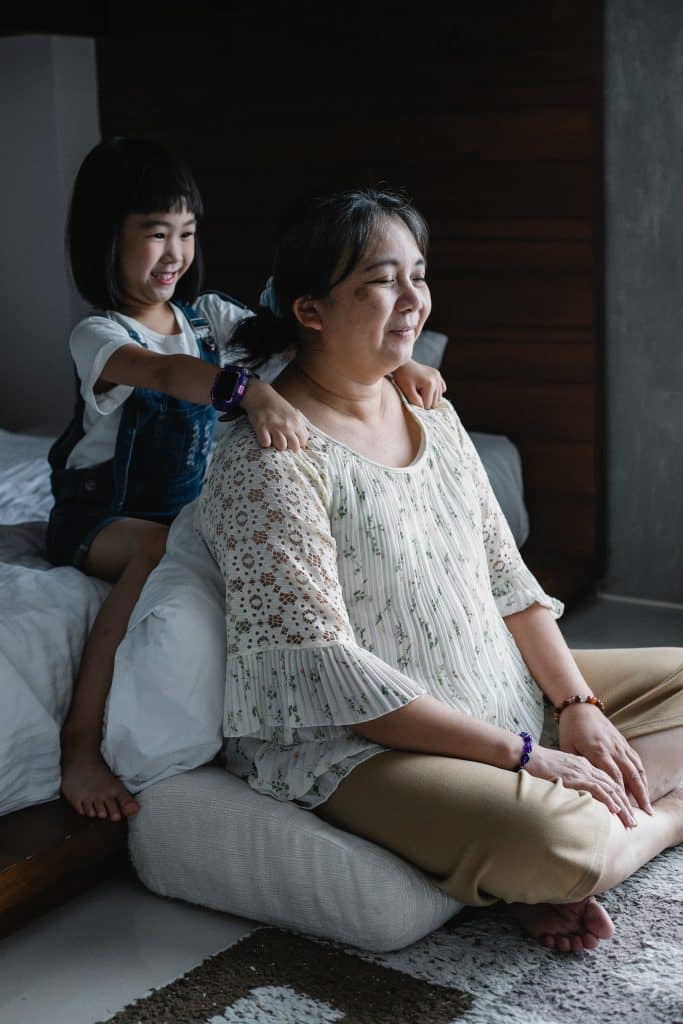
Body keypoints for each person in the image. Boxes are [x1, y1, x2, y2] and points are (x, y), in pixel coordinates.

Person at [196, 186, 683, 952]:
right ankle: (616, 832)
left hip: (492, 685)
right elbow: (332, 678)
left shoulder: (430, 408)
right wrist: (526, 755)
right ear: (310, 310)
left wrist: (578, 705)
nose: (412, 300)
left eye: (417, 276)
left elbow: (506, 578)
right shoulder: (271, 460)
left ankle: (572, 843)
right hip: (363, 742)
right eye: (380, 281)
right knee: (555, 842)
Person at [48, 141, 444, 824]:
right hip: (103, 515)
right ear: (105, 239)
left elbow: (313, 337)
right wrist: (246, 392)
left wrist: (393, 363)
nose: (173, 254)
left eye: (186, 233)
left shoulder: (210, 318)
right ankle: (82, 745)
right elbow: (168, 375)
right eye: (153, 234)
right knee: (154, 550)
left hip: (184, 506)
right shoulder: (99, 335)